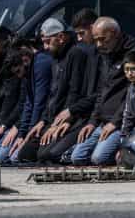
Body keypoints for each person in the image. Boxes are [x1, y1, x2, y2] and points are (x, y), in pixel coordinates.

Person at [16, 18, 97, 164]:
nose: (45, 47)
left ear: (61, 37)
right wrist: (43, 121)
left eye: (48, 42)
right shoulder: (56, 58)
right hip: (53, 118)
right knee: (24, 154)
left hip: (70, 116)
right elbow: (52, 94)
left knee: (45, 155)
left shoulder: (75, 54)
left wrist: (65, 121)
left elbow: (74, 92)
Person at [70, 17, 135, 165]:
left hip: (120, 123)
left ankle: (123, 150)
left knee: (99, 158)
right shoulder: (107, 54)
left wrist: (115, 122)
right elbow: (101, 92)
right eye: (96, 40)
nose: (99, 44)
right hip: (102, 122)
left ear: (114, 33)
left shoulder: (133, 55)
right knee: (77, 157)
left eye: (103, 39)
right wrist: (92, 121)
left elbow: (134, 94)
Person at [2, 37, 53, 165]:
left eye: (19, 71)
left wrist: (28, 135)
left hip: (47, 118)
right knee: (5, 155)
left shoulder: (40, 64)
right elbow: (28, 104)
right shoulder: (27, 71)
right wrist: (22, 134)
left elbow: (39, 103)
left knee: (17, 156)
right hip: (37, 121)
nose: (19, 76)